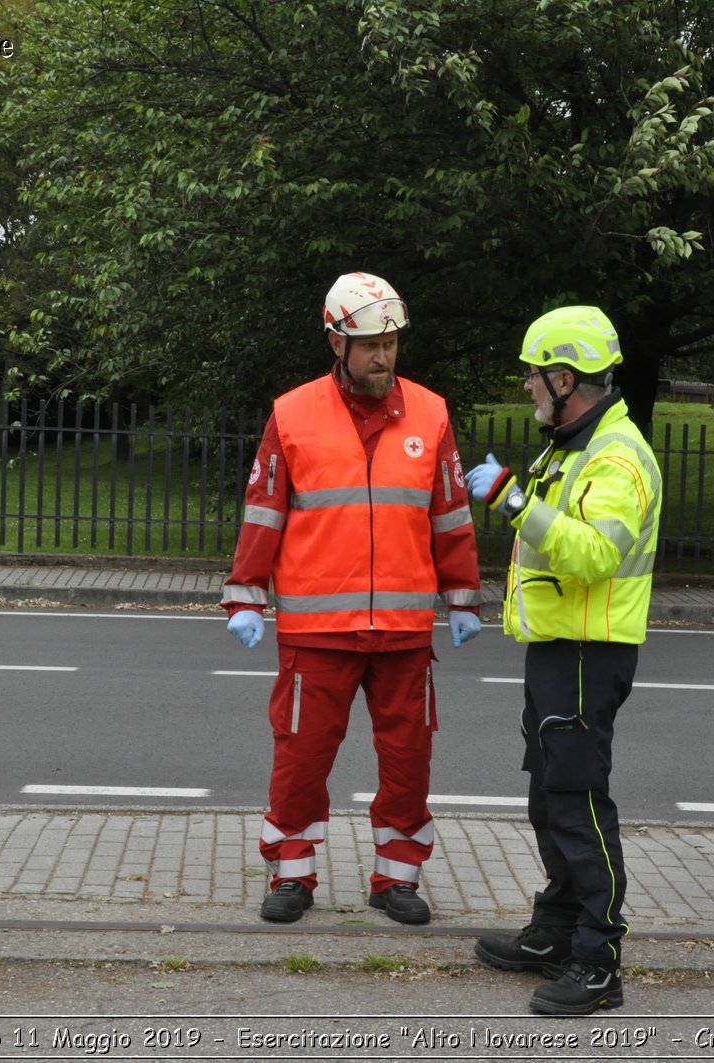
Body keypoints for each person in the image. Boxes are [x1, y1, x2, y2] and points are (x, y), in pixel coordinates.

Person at [221, 271, 482, 927]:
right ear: (336, 341)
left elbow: (449, 515)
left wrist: (464, 596)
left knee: (408, 762)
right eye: (369, 344)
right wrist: (246, 595)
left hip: (403, 630)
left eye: (391, 343)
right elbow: (264, 511)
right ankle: (292, 871)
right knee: (301, 758)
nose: (383, 356)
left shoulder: (431, 413)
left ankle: (397, 879)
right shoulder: (293, 414)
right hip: (318, 629)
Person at [464, 306, 660, 1016]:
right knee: (549, 793)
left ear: (565, 377)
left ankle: (599, 957)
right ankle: (557, 925)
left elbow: (594, 553)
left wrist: (514, 500)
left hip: (587, 649)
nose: (525, 386)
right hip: (559, 646)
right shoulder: (572, 444)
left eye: (532, 374)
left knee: (577, 800)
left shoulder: (616, 455)